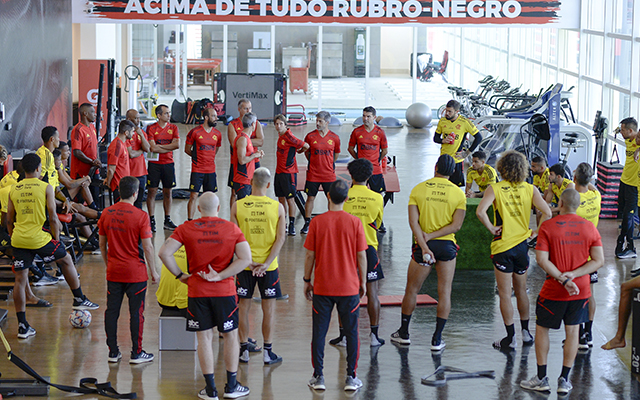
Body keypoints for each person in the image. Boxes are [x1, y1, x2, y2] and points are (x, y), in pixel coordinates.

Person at [158, 192, 252, 400]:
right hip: (225, 293)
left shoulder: (185, 228)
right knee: (230, 336)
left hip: (197, 292)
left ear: (198, 209)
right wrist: (220, 275)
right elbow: (245, 259)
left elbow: (164, 253)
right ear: (219, 209)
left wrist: (181, 275)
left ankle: (210, 390)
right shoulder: (231, 229)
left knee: (204, 338)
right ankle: (232, 386)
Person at [520, 189, 603, 395]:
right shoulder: (590, 228)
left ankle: (541, 378)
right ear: (578, 205)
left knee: (542, 329)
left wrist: (563, 278)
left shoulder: (547, 226)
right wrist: (574, 275)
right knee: (573, 331)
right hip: (581, 291)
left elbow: (541, 260)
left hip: (554, 290)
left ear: (561, 203)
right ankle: (564, 380)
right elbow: (598, 260)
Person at [8, 153, 98, 339]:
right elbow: (53, 217)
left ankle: (23, 326)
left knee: (20, 280)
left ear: (24, 169)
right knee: (65, 259)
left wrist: (14, 237)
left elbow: (9, 220)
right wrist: (56, 240)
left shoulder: (14, 189)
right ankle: (79, 298)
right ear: (39, 168)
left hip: (18, 239)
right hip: (38, 238)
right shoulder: (45, 187)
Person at [476, 150, 551, 350]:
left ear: (502, 168)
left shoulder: (495, 188)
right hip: (521, 247)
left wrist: (492, 228)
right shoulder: (531, 189)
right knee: (521, 291)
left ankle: (510, 338)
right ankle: (526, 333)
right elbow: (547, 211)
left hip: (502, 246)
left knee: (504, 293)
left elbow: (480, 211)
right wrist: (536, 232)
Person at [390, 154, 465, 351]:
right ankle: (437, 339)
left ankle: (404, 333)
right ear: (453, 172)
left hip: (423, 247)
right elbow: (456, 226)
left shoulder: (419, 189)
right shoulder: (458, 194)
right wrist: (432, 236)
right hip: (447, 247)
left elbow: (413, 223)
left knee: (412, 290)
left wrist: (424, 244)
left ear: (435, 167)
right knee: (444, 292)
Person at [303, 180, 367, 392]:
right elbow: (361, 255)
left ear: (328, 196)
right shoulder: (355, 222)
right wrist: (363, 281)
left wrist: (306, 280)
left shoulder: (317, 223)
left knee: (318, 333)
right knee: (352, 332)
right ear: (347, 198)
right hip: (349, 288)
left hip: (322, 288)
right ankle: (351, 377)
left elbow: (310, 254)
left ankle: (318, 376)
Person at [98, 176, 158, 364]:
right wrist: (154, 271)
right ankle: (136, 353)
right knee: (136, 313)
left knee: (112, 311)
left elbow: (102, 244)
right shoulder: (141, 216)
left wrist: (109, 263)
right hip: (135, 273)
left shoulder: (106, 213)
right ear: (135, 193)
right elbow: (147, 247)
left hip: (114, 271)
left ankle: (113, 352)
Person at [231, 167, 286, 365]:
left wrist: (248, 261)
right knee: (268, 310)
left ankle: (244, 349)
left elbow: (233, 238)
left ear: (251, 183)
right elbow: (280, 239)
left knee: (242, 308)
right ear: (268, 185)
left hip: (244, 266)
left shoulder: (238, 205)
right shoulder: (278, 207)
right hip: (268, 268)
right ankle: (267, 352)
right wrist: (266, 263)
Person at [331, 158, 385, 347]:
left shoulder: (343, 196)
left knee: (343, 293)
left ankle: (344, 336)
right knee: (372, 293)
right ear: (370, 175)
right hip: (368, 248)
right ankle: (373, 336)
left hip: (344, 248)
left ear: (350, 175)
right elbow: (377, 223)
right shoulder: (378, 198)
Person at [573, 162, 601, 349]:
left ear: (574, 178)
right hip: (593, 253)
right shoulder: (596, 196)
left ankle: (577, 335)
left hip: (577, 253)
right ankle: (588, 333)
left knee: (576, 294)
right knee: (589, 293)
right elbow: (591, 186)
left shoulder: (574, 202)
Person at [301, 111, 341, 234]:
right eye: (316, 120)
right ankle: (307, 223)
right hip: (313, 174)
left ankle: (331, 223)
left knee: (330, 199)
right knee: (310, 198)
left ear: (327, 122)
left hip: (329, 175)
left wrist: (327, 164)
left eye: (320, 121)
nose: (317, 123)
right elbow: (307, 153)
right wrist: (315, 162)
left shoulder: (334, 138)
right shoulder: (310, 136)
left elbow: (336, 154)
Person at [146, 104, 180, 232]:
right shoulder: (151, 128)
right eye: (166, 113)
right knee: (152, 192)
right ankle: (151, 219)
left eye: (169, 113)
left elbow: (177, 145)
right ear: (159, 115)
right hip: (154, 165)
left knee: (168, 192)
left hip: (168, 164)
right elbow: (152, 148)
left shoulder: (174, 127)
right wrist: (168, 147)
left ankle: (167, 219)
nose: (169, 115)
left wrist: (160, 148)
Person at [273, 114, 308, 236]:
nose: (278, 126)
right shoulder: (280, 136)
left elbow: (306, 145)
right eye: (276, 124)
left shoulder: (289, 136)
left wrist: (299, 151)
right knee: (281, 198)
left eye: (281, 124)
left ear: (285, 124)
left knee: (290, 199)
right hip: (279, 172)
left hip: (289, 173)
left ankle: (292, 224)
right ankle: (284, 223)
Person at [433, 100, 482, 187]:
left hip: (456, 161)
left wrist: (467, 153)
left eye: (450, 111)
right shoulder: (442, 121)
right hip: (444, 159)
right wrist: (442, 140)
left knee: (455, 187)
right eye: (446, 110)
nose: (447, 113)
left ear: (457, 112)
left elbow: (479, 138)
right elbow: (435, 138)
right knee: (440, 186)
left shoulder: (465, 122)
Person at [185, 108, 222, 220]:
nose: (216, 118)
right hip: (197, 170)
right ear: (206, 117)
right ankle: (190, 221)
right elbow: (187, 149)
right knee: (193, 196)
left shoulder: (218, 134)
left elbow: (216, 149)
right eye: (213, 116)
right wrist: (198, 158)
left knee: (211, 197)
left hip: (211, 170)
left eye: (216, 116)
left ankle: (211, 219)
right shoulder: (195, 132)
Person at [227, 99, 264, 207]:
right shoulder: (233, 124)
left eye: (250, 108)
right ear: (239, 109)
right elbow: (235, 143)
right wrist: (245, 140)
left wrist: (246, 140)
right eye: (245, 108)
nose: (248, 110)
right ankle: (233, 217)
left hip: (254, 162)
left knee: (254, 190)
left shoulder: (255, 122)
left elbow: (261, 141)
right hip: (239, 163)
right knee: (235, 193)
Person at [348, 106, 388, 195]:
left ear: (374, 117)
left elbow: (385, 151)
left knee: (379, 195)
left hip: (376, 169)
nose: (365, 118)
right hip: (361, 170)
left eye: (368, 116)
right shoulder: (357, 132)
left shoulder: (380, 132)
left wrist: (377, 160)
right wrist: (358, 159)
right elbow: (350, 148)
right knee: (356, 195)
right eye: (364, 116)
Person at [615, 117, 639, 259]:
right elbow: (622, 131)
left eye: (623, 130)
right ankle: (628, 245)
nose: (621, 133)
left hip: (634, 187)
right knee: (623, 214)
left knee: (628, 217)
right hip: (624, 182)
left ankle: (629, 246)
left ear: (631, 131)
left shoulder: (638, 140)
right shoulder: (628, 139)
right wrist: (619, 129)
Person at [70, 104, 101, 189]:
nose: (95, 114)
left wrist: (97, 159)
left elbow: (96, 145)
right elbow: (77, 152)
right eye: (92, 112)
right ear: (85, 113)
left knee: (95, 198)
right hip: (81, 173)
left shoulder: (92, 127)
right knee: (82, 200)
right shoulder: (78, 129)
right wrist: (92, 161)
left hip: (94, 170)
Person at [125, 109, 151, 210]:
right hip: (130, 173)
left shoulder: (142, 133)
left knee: (139, 202)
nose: (138, 120)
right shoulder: (126, 134)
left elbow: (148, 149)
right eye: (136, 118)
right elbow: (131, 154)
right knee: (129, 203)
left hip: (141, 173)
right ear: (128, 119)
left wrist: (141, 135)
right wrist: (141, 151)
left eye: (139, 118)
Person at [104, 120, 134, 202]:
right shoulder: (116, 145)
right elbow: (111, 169)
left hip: (124, 184)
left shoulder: (123, 143)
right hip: (118, 185)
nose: (133, 133)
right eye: (132, 131)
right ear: (126, 133)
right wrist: (109, 182)